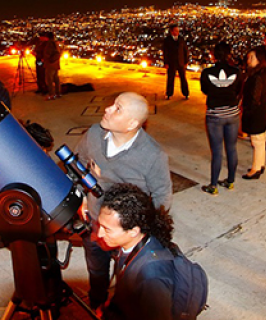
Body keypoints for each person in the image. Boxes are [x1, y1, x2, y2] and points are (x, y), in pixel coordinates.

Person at [74, 92, 173, 313]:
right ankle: (96, 303)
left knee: (127, 279)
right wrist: (81, 196)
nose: (108, 109)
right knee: (96, 271)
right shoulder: (93, 134)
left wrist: (144, 232)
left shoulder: (153, 155)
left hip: (127, 233)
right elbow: (77, 163)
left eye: (117, 108)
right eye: (112, 104)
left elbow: (162, 195)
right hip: (96, 224)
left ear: (132, 123)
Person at [98, 183, 176, 320]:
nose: (99, 234)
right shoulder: (129, 245)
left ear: (133, 231)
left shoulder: (152, 277)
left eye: (106, 229)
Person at [199, 42, 243, 195]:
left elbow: (205, 90)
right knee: (231, 148)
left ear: (214, 55)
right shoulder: (236, 71)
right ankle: (230, 182)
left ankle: (213, 186)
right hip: (232, 113)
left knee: (217, 151)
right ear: (229, 54)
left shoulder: (206, 73)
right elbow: (238, 90)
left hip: (215, 114)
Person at [240, 47, 266, 179]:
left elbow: (255, 97)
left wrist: (248, 111)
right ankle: (260, 164)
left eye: (252, 57)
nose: (249, 60)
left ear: (259, 59)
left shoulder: (257, 76)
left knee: (256, 140)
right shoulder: (262, 72)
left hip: (256, 111)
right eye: (248, 57)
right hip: (261, 109)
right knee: (260, 139)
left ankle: (255, 169)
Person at [162, 25, 189, 100]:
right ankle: (169, 94)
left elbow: (185, 51)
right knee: (170, 79)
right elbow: (165, 52)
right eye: (176, 31)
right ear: (171, 31)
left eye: (178, 31)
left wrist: (186, 61)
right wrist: (166, 63)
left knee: (183, 78)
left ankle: (186, 93)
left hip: (181, 62)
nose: (177, 32)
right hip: (171, 62)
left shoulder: (181, 39)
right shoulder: (167, 40)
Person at [43, 32, 62, 100]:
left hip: (50, 64)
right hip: (55, 64)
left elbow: (47, 53)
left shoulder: (49, 44)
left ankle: (51, 94)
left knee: (49, 80)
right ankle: (58, 93)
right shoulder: (56, 43)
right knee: (56, 79)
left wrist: (44, 59)